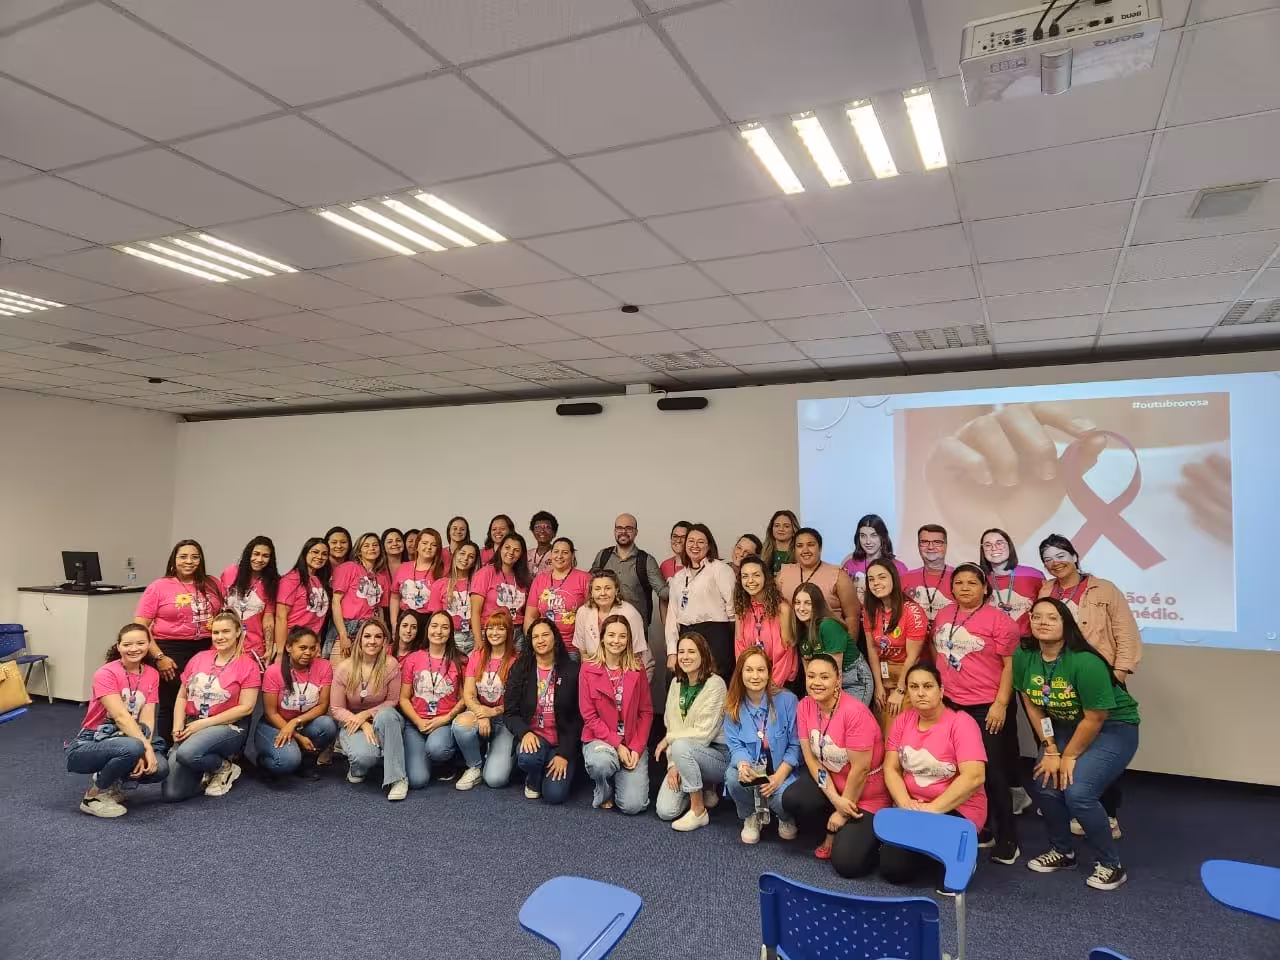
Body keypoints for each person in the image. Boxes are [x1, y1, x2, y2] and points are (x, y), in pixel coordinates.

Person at [1017, 597, 1140, 891]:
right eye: (1037, 617)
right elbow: (1032, 704)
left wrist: (1068, 756)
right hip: (1064, 725)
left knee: (1079, 792)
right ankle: (1063, 852)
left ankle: (1111, 865)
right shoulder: (1024, 654)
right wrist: (1050, 749)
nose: (1043, 622)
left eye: (1052, 618)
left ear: (1066, 624)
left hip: (1112, 727)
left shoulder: (1086, 662)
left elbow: (1095, 717)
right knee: (1045, 783)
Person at [1037, 533, 1142, 835]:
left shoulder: (1104, 589)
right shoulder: (1046, 590)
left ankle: (1107, 815)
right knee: (1068, 741)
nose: (1055, 563)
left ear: (1074, 556)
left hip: (1101, 680)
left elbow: (1126, 635)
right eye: (1047, 559)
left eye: (1060, 556)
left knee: (1101, 749)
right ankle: (1065, 805)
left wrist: (1116, 677)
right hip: (1060, 681)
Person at [932, 563, 1020, 864]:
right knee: (960, 773)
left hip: (986, 706)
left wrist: (1001, 704)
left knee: (992, 773)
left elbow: (1010, 667)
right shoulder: (944, 615)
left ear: (985, 588)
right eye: (959, 583)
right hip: (951, 705)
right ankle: (982, 828)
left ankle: (1008, 837)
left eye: (972, 583)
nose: (965, 588)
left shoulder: (1000, 621)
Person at [781, 654, 889, 877]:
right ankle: (835, 828)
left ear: (838, 680)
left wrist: (842, 810)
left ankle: (870, 838)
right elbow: (812, 759)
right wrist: (834, 798)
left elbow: (861, 770)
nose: (816, 682)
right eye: (811, 676)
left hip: (866, 793)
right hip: (833, 783)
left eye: (824, 677)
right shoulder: (805, 706)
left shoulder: (855, 713)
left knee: (847, 865)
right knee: (792, 798)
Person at [881, 663, 989, 885]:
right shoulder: (903, 720)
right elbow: (890, 767)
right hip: (914, 806)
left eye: (928, 686)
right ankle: (927, 850)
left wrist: (932, 810)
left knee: (947, 878)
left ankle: (953, 852)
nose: (920, 693)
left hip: (955, 808)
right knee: (893, 870)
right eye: (914, 687)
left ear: (941, 690)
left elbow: (975, 776)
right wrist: (904, 803)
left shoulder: (961, 723)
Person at [65, 623, 168, 817]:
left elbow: (147, 717)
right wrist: (145, 748)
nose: (134, 649)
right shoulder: (106, 673)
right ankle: (93, 796)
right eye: (127, 644)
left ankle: (114, 782)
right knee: (133, 748)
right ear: (118, 646)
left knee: (160, 768)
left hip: (131, 736)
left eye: (140, 643)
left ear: (149, 645)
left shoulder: (152, 674)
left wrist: (144, 748)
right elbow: (120, 717)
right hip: (92, 740)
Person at [163, 612, 260, 802]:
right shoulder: (199, 658)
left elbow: (246, 708)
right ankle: (205, 763)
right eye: (216, 632)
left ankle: (224, 767)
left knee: (187, 753)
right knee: (172, 794)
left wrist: (203, 724)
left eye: (226, 631)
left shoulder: (248, 665)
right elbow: (182, 696)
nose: (220, 637)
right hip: (192, 723)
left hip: (227, 726)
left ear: (238, 632)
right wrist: (177, 725)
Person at [135, 539, 224, 746]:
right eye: (183, 557)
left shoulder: (213, 583)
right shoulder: (159, 586)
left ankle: (197, 745)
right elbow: (141, 626)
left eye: (195, 557)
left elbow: (223, 614)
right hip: (169, 649)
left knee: (204, 697)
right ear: (174, 560)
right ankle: (167, 746)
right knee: (173, 700)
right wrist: (159, 657)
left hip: (207, 647)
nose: (189, 561)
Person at [723, 648, 800, 844]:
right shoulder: (732, 705)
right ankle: (751, 815)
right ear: (740, 673)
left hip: (782, 771)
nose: (755, 676)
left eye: (761, 670)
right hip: (754, 770)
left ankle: (784, 816)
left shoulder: (788, 701)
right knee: (733, 777)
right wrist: (743, 765)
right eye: (749, 670)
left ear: (769, 673)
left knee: (781, 800)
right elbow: (735, 745)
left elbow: (796, 744)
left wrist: (778, 777)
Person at [654, 632, 728, 830]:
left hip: (717, 757)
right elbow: (671, 725)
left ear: (703, 654)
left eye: (692, 652)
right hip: (684, 753)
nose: (685, 656)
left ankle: (698, 811)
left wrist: (669, 741)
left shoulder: (716, 685)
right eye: (681, 652)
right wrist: (673, 765)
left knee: (680, 745)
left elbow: (704, 734)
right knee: (666, 811)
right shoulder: (676, 683)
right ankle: (701, 786)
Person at [579, 614, 653, 813]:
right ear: (602, 637)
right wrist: (617, 745)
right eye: (611, 635)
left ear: (628, 639)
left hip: (631, 739)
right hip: (601, 738)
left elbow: (646, 712)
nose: (616, 641)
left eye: (622, 636)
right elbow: (589, 716)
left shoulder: (638, 668)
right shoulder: (588, 669)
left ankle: (619, 775)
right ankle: (604, 787)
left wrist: (636, 748)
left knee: (633, 806)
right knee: (601, 764)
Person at [505, 618, 582, 804]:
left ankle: (552, 762)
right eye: (535, 637)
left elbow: (578, 718)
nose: (540, 640)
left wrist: (564, 753)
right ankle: (533, 777)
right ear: (530, 642)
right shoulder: (521, 668)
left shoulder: (572, 670)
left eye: (545, 635)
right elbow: (510, 712)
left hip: (561, 741)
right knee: (528, 758)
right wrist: (524, 733)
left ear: (555, 637)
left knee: (554, 795)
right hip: (535, 738)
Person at [331, 618, 407, 801]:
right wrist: (362, 722)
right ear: (359, 639)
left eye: (378, 637)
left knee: (387, 715)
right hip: (354, 722)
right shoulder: (344, 668)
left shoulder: (391, 665)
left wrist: (367, 714)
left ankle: (398, 779)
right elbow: (336, 708)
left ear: (384, 641)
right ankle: (357, 765)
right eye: (367, 636)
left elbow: (393, 700)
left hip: (383, 719)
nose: (372, 641)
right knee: (365, 757)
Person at [254, 627, 337, 781]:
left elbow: (322, 706)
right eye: (303, 648)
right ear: (289, 647)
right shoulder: (274, 671)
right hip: (275, 725)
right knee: (286, 762)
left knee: (328, 725)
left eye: (312, 648)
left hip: (303, 723)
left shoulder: (324, 666)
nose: (308, 653)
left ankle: (306, 762)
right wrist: (297, 736)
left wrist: (295, 722)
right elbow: (270, 713)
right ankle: (264, 761)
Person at [400, 610, 466, 791]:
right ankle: (425, 757)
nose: (438, 631)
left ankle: (445, 758)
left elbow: (464, 699)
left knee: (437, 749)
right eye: (434, 626)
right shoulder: (413, 658)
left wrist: (445, 719)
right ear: (427, 629)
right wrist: (417, 721)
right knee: (417, 780)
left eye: (445, 627)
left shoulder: (460, 660)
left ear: (450, 632)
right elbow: (404, 698)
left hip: (444, 722)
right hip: (416, 723)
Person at [452, 610, 518, 790]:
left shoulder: (517, 660)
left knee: (495, 780)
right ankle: (474, 766)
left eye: (500, 629)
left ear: (509, 632)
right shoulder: (477, 655)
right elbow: (468, 694)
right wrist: (481, 713)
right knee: (460, 725)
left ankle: (503, 754)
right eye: (490, 628)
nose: (494, 633)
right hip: (480, 712)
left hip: (506, 719)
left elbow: (517, 702)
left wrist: (493, 712)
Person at [862, 559, 930, 732]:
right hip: (883, 674)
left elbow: (913, 657)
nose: (876, 583)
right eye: (871, 579)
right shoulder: (870, 609)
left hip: (906, 676)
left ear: (894, 578)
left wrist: (900, 691)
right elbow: (872, 649)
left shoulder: (912, 611)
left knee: (896, 731)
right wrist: (878, 686)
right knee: (879, 730)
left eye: (882, 577)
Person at [664, 524, 736, 685]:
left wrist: (731, 636)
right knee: (681, 682)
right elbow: (672, 617)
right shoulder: (679, 577)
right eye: (691, 541)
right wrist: (672, 652)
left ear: (709, 545)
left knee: (715, 684)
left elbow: (733, 607)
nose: (695, 546)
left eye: (700, 542)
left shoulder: (720, 569)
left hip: (716, 635)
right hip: (687, 635)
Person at [790, 582, 874, 706]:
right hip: (824, 680)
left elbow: (835, 670)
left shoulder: (828, 626)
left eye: (808, 603)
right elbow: (809, 671)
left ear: (817, 605)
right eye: (797, 602)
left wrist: (832, 703)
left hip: (852, 679)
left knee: (846, 715)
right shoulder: (801, 631)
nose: (801, 608)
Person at [776, 528, 861, 641]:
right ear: (794, 550)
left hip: (831, 643)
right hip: (792, 643)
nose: (805, 550)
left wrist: (848, 647)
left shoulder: (838, 575)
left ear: (820, 548)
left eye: (811, 545)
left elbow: (852, 616)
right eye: (800, 546)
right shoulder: (783, 574)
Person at [592, 513, 668, 629]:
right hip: (605, 627)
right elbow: (590, 585)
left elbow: (663, 592)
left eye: (629, 528)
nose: (623, 532)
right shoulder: (603, 556)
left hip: (635, 627)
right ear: (614, 531)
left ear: (636, 532)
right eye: (619, 528)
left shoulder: (646, 560)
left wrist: (684, 586)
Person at [572, 569, 652, 676]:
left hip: (627, 670)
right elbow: (583, 653)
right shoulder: (583, 612)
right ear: (591, 592)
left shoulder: (630, 613)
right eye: (597, 589)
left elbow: (636, 654)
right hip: (594, 672)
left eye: (608, 588)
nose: (603, 593)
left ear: (616, 590)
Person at [733, 556, 796, 689]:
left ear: (765, 578)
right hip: (751, 680)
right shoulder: (741, 609)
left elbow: (786, 651)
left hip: (780, 681)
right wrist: (748, 678)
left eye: (756, 575)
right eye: (745, 576)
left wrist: (773, 685)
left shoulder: (782, 609)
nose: (750, 580)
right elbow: (740, 648)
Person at [329, 532, 391, 659]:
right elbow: (335, 602)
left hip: (370, 630)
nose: (371, 548)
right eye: (366, 546)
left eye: (375, 545)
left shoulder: (382, 576)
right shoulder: (348, 568)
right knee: (340, 668)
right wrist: (343, 635)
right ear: (359, 551)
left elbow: (380, 609)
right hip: (348, 627)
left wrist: (382, 633)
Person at [525, 537, 591, 655]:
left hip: (573, 649)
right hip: (544, 647)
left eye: (565, 552)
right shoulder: (540, 579)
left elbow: (592, 615)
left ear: (572, 555)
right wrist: (532, 645)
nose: (559, 556)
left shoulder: (584, 578)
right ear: (551, 555)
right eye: (556, 551)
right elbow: (530, 617)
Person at [220, 535, 279, 665]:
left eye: (265, 556)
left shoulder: (272, 582)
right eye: (256, 554)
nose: (259, 559)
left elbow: (268, 618)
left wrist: (269, 649)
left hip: (253, 647)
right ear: (248, 554)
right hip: (225, 641)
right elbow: (219, 605)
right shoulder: (230, 572)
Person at [471, 533, 531, 649]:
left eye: (516, 550)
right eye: (507, 547)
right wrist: (478, 640)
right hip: (492, 631)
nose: (511, 552)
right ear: (500, 549)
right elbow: (475, 612)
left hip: (517, 634)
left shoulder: (524, 578)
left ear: (521, 555)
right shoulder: (486, 573)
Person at [979, 527, 1044, 632]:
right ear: (982, 550)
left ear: (1009, 545)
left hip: (1029, 639)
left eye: (999, 543)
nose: (994, 548)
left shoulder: (1034, 575)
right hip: (991, 638)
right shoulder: (978, 578)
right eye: (987, 545)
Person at [274, 538, 331, 658]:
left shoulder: (320, 581)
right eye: (315, 552)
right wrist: (280, 652)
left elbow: (317, 618)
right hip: (293, 645)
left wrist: (317, 646)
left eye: (324, 554)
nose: (319, 557)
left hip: (312, 646)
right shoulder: (291, 579)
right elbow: (280, 617)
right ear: (305, 553)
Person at [840, 513, 909, 604]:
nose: (868, 541)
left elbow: (903, 600)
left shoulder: (898, 567)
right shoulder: (850, 565)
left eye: (873, 535)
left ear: (882, 537)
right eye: (863, 536)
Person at [428, 540, 480, 653]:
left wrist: (478, 639)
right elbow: (436, 617)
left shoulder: (479, 583)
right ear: (455, 555)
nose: (465, 558)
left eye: (471, 556)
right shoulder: (440, 584)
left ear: (474, 562)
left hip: (474, 636)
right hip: (449, 637)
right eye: (462, 553)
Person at [902, 524, 955, 630]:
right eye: (924, 542)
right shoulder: (904, 578)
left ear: (945, 546)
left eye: (937, 542)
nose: (930, 547)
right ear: (918, 546)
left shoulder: (960, 578)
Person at [390, 527, 444, 627]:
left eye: (433, 545)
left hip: (429, 621)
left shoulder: (442, 572)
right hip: (404, 619)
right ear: (417, 545)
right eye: (425, 543)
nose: (429, 547)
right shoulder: (403, 567)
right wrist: (394, 624)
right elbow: (394, 597)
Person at [761, 509, 800, 575]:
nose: (781, 529)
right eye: (777, 525)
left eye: (786, 526)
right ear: (771, 529)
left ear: (794, 530)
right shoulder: (763, 552)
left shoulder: (800, 553)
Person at [527, 510, 559, 578]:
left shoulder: (559, 555)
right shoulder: (526, 555)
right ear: (533, 532)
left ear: (554, 533)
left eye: (547, 527)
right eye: (538, 527)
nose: (542, 531)